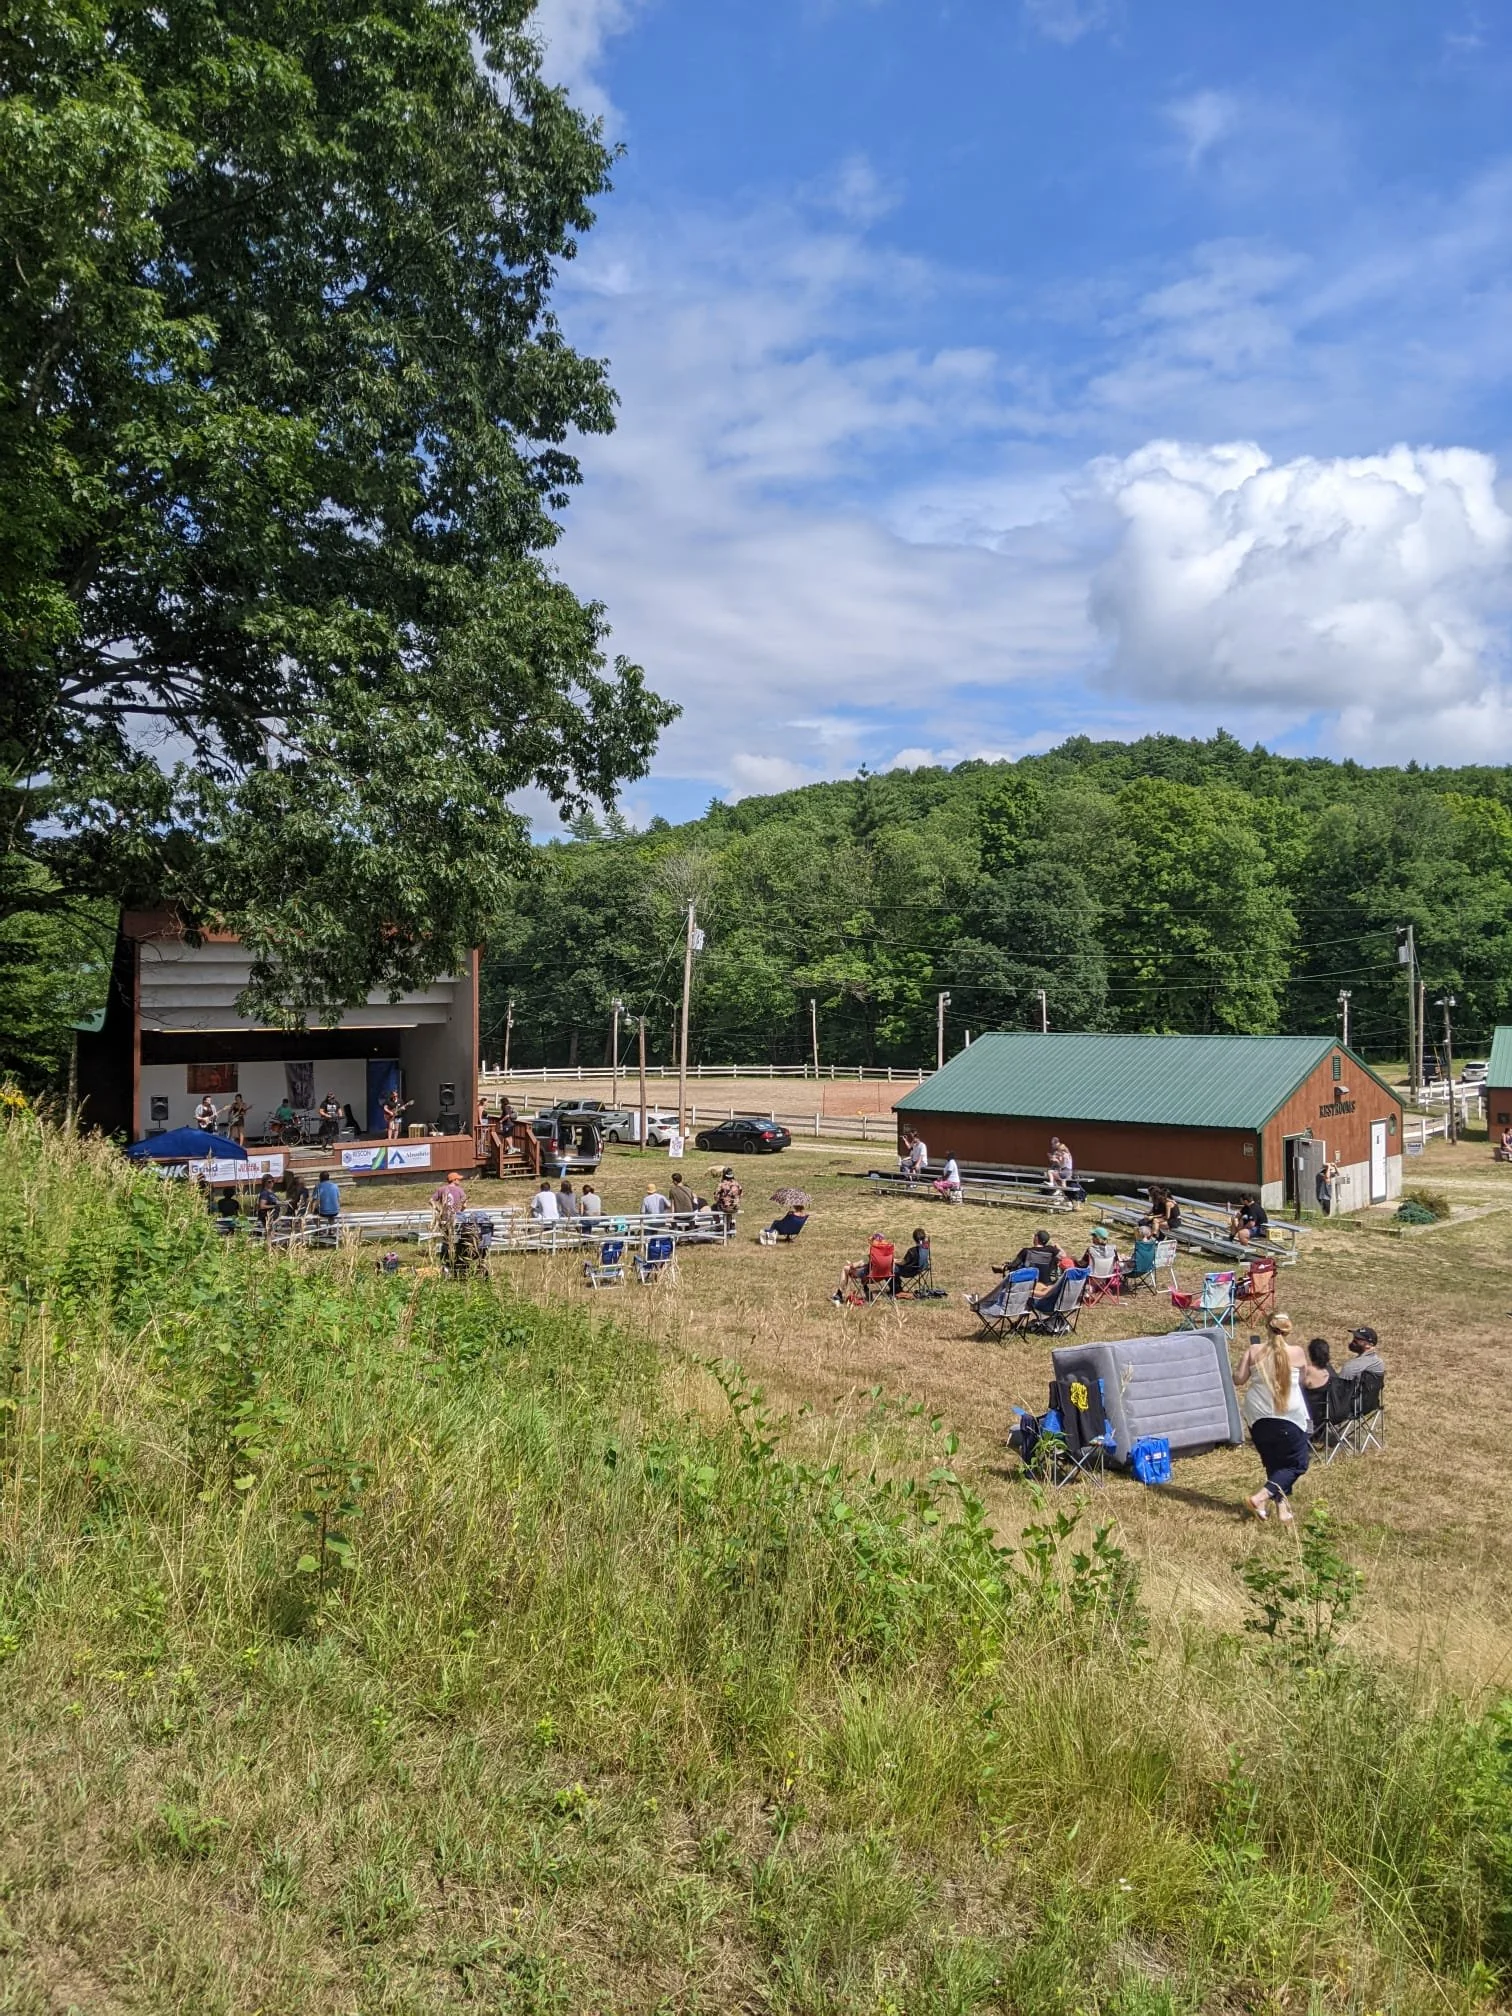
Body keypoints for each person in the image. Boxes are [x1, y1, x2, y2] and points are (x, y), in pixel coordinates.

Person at [1233, 1313, 1313, 1522]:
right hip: (1289, 1416)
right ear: (1288, 1330)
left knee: (1274, 1462)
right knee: (1297, 1464)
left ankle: (1283, 1508)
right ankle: (1260, 1497)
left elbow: (1239, 1380)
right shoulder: (1297, 1352)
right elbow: (1305, 1381)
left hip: (1257, 1415)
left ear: (1267, 1327)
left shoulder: (1253, 1351)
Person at [832, 1232, 895, 1304]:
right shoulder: (889, 1251)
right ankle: (867, 1292)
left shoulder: (873, 1252)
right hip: (884, 1276)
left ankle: (839, 1294)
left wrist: (851, 1264)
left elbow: (858, 1264)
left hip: (870, 1277)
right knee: (865, 1269)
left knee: (845, 1268)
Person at [998, 1229, 1064, 1283]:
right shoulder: (1051, 1250)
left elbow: (1013, 1265)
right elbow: (1063, 1256)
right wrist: (1058, 1246)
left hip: (1028, 1283)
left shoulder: (1026, 1251)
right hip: (1045, 1283)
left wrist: (1006, 1266)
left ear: (1036, 1238)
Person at [1303, 1337, 1334, 1434]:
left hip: (1309, 1413)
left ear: (1311, 1354)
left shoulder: (1308, 1371)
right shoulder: (1330, 1372)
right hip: (1329, 1411)